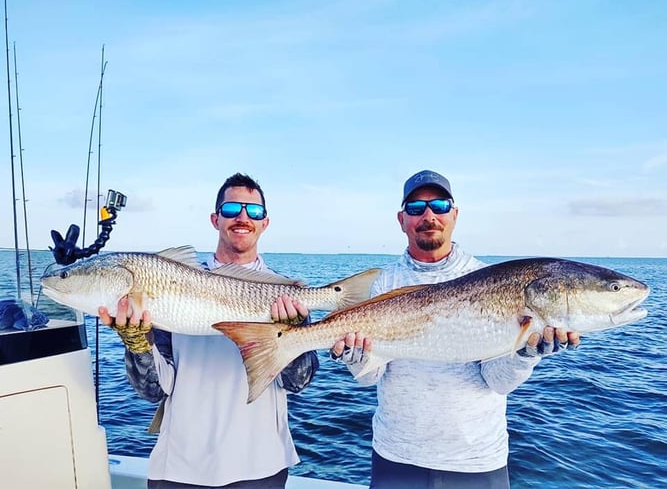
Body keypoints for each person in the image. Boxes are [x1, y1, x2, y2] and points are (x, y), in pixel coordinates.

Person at [330, 170, 581, 489]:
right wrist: (355, 357)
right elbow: (369, 377)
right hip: (396, 456)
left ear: (455, 214)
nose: (429, 215)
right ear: (402, 219)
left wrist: (526, 354)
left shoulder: (489, 279)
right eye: (416, 208)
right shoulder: (384, 283)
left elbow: (497, 381)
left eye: (439, 205)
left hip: (475, 462)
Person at [98, 173, 319, 489]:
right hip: (181, 467)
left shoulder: (284, 295)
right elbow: (152, 391)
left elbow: (298, 382)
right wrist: (137, 343)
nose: (242, 218)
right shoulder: (167, 282)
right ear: (215, 219)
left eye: (253, 211)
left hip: (260, 465)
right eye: (231, 210)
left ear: (265, 223)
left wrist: (292, 337)